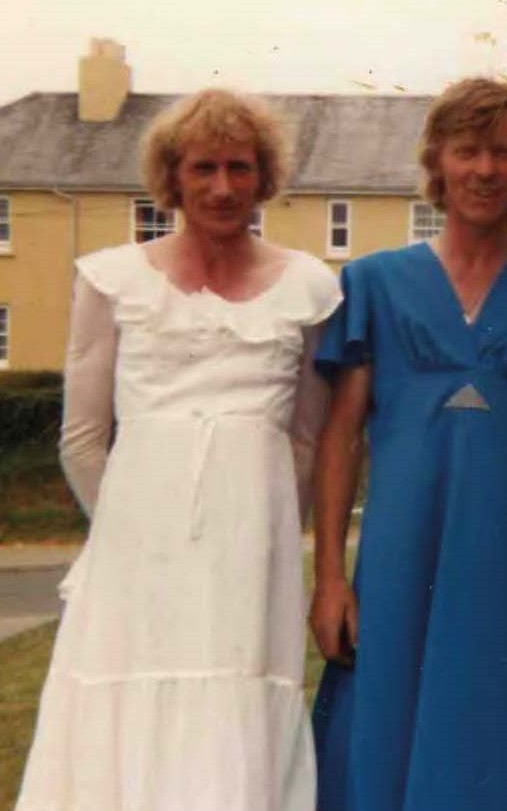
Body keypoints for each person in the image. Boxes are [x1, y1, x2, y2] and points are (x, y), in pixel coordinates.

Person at [309, 77, 507, 811]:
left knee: (492, 760)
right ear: (437, 162)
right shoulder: (373, 284)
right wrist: (331, 577)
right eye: (467, 151)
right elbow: (339, 439)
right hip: (394, 569)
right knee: (369, 759)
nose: (484, 170)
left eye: (503, 153)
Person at [16, 90, 340, 811]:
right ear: (173, 177)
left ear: (264, 177)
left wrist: (252, 528)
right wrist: (133, 532)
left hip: (249, 557)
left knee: (236, 704)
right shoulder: (112, 280)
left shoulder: (312, 289)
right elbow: (83, 440)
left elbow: (304, 439)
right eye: (203, 169)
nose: (222, 187)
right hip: (136, 552)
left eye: (239, 168)